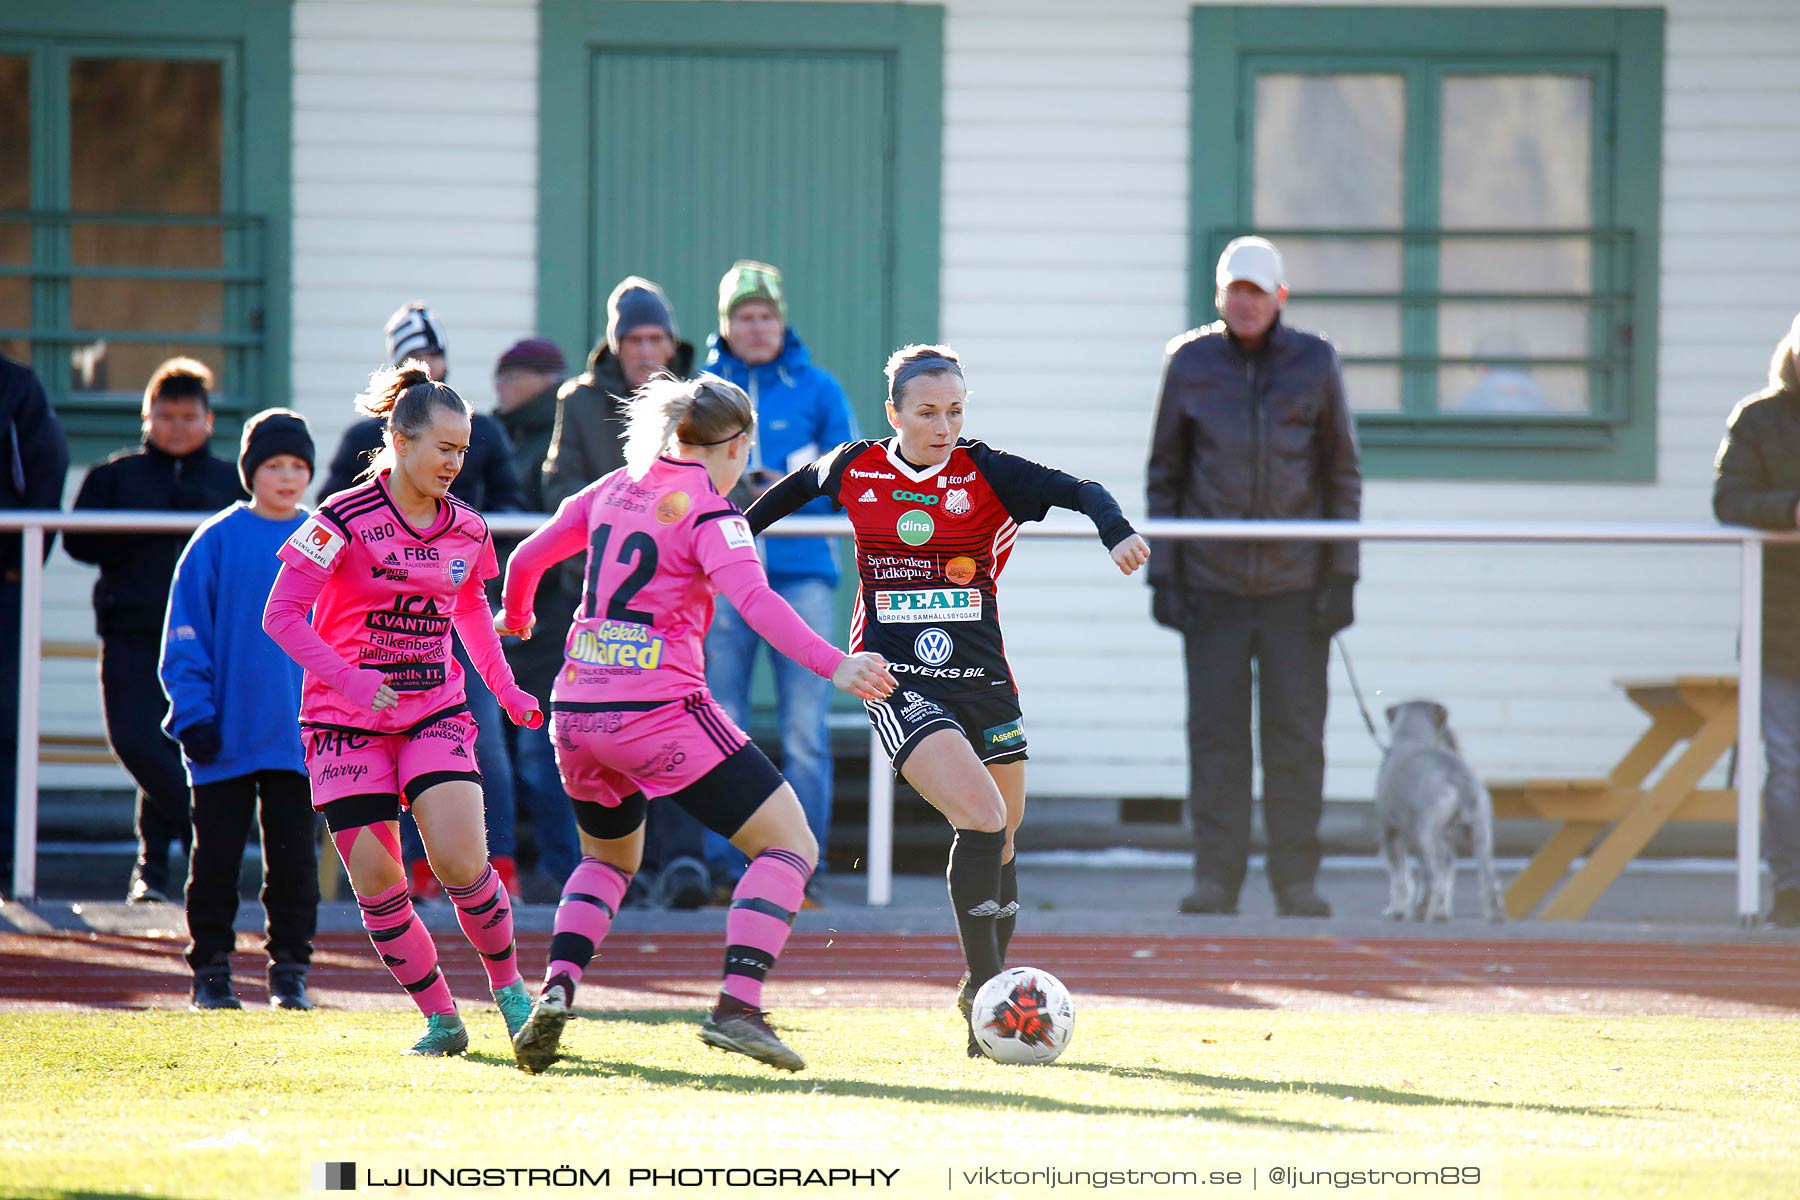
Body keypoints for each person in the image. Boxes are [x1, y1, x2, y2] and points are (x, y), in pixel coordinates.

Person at [746, 344, 1149, 1056]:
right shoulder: (856, 465)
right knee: (984, 814)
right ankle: (992, 1003)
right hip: (893, 678)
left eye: (955, 411)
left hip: (985, 679)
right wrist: (726, 543)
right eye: (927, 412)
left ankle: (977, 987)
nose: (943, 426)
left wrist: (1114, 530)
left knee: (1002, 837)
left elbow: (1083, 488)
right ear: (893, 413)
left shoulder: (986, 471)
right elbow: (787, 491)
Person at [497, 373, 894, 1074]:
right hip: (659, 713)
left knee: (608, 860)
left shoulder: (615, 487)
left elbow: (527, 556)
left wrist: (519, 618)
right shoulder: (714, 514)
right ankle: (737, 1008)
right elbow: (759, 603)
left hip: (578, 712)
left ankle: (556, 990)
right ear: (737, 444)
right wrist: (836, 665)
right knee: (789, 846)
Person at [263, 362, 542, 1056]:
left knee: (459, 862)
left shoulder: (469, 529)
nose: (455, 462)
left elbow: (472, 609)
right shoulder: (340, 517)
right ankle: (442, 1019)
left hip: (433, 710)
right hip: (341, 723)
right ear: (399, 439)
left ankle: (513, 998)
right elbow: (282, 615)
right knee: (381, 880)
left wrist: (505, 690)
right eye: (443, 448)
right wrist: (352, 680)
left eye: (463, 449)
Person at [1144, 236, 1362, 919]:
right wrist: (1166, 577)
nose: (1244, 302)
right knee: (1216, 737)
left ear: (1280, 298)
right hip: (1211, 588)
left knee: (1296, 736)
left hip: (1300, 589)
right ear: (1220, 297)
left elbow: (1340, 473)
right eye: (1234, 290)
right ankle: (1217, 880)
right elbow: (1165, 475)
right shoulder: (1189, 362)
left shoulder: (1316, 360)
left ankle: (1296, 881)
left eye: (1256, 292)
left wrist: (1341, 576)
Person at [317, 302, 527, 902]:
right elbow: (330, 523)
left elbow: (513, 503)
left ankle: (495, 867)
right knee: (378, 770)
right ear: (399, 440)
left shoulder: (476, 433)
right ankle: (406, 875)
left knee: (482, 749)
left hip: (444, 638)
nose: (453, 463)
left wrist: (464, 538)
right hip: (369, 651)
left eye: (436, 356)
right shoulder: (363, 444)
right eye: (417, 357)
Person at [541, 275, 711, 908]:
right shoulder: (580, 401)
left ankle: (684, 863)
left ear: (673, 341)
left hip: (676, 604)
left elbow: (721, 487)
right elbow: (558, 485)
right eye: (634, 338)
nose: (646, 350)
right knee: (605, 729)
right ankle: (620, 868)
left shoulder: (701, 399)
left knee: (679, 721)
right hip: (601, 600)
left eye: (656, 337)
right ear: (615, 345)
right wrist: (628, 510)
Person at [703, 261, 859, 905]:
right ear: (727, 326)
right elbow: (679, 475)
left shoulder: (819, 389)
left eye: (766, 315)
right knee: (719, 723)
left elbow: (853, 480)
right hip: (721, 579)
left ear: (782, 320)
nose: (757, 327)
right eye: (745, 316)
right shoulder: (705, 393)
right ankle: (721, 869)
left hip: (803, 578)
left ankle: (804, 870)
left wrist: (784, 497)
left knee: (803, 731)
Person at [65, 357, 247, 904]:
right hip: (133, 631)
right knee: (137, 742)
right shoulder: (113, 477)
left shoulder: (230, 482)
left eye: (189, 416)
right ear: (147, 418)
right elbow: (78, 542)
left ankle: (154, 873)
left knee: (186, 745)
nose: (177, 426)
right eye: (165, 416)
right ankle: (207, 831)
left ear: (209, 421)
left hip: (212, 640)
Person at [160, 409, 320, 1011]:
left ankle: (290, 974)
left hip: (300, 737)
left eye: (298, 466)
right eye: (274, 464)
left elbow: (349, 632)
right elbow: (185, 635)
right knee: (216, 863)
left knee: (294, 865)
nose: (287, 476)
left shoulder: (324, 540)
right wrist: (194, 713)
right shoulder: (215, 541)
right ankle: (211, 974)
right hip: (221, 736)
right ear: (250, 470)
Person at [1713, 311, 1800, 929]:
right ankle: (1791, 885)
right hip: (1780, 623)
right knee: (1788, 763)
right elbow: (1728, 500)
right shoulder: (1757, 418)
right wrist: (1791, 511)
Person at [490, 336, 582, 890]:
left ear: (545, 379)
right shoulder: (494, 435)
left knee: (543, 748)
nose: (503, 386)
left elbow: (542, 517)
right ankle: (544, 869)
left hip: (551, 610)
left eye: (514, 375)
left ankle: (562, 870)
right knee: (519, 748)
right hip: (514, 612)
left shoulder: (550, 433)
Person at [0, 351, 69, 888]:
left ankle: (5, 860)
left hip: (4, 584)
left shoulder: (16, 386)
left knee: (5, 720)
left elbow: (45, 469)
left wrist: (20, 566)